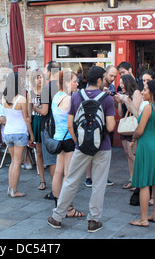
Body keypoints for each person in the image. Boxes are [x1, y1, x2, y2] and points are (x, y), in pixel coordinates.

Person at [47, 66, 115, 233]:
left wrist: (79, 141)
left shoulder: (76, 96)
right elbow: (111, 127)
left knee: (70, 180)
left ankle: (57, 216)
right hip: (103, 146)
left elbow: (70, 124)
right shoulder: (107, 99)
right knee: (99, 184)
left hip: (81, 146)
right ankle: (93, 220)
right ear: (99, 80)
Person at [129, 80, 155, 227]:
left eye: (145, 90)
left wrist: (133, 137)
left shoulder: (148, 108)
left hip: (146, 145)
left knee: (144, 182)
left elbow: (140, 130)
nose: (143, 92)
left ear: (151, 93)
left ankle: (144, 218)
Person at [51, 70, 85, 217]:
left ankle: (58, 203)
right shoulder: (69, 99)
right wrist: (77, 140)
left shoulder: (56, 96)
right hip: (69, 138)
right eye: (74, 81)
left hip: (58, 137)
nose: (77, 83)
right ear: (66, 82)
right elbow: (73, 123)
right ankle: (68, 208)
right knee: (68, 174)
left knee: (58, 172)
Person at [3, 72, 34, 198]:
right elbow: (26, 118)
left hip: (8, 132)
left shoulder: (3, 98)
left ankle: (10, 188)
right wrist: (31, 134)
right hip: (19, 132)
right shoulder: (22, 99)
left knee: (13, 162)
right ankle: (14, 190)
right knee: (17, 163)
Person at [33, 61, 61, 200]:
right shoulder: (65, 87)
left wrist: (34, 108)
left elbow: (44, 111)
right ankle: (62, 189)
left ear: (49, 72)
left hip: (49, 126)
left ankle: (56, 192)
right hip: (62, 127)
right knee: (62, 159)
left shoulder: (46, 88)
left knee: (52, 161)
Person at [86, 65, 117, 187]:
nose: (113, 78)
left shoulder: (112, 86)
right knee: (90, 152)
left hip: (105, 122)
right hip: (92, 123)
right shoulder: (94, 87)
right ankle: (88, 177)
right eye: (111, 75)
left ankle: (103, 176)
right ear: (103, 77)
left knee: (103, 153)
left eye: (115, 76)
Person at [115, 74, 142, 189]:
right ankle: (132, 179)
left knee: (133, 155)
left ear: (128, 82)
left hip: (133, 127)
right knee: (127, 153)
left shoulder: (136, 93)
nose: (120, 85)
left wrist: (126, 100)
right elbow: (121, 114)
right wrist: (120, 103)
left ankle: (137, 180)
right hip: (125, 127)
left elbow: (135, 112)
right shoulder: (124, 94)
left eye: (122, 83)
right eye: (120, 83)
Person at [27, 68, 46, 190]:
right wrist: (30, 133)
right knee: (39, 152)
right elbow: (28, 114)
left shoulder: (48, 91)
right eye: (37, 77)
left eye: (41, 77)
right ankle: (42, 180)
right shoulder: (30, 93)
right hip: (37, 121)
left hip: (47, 121)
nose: (39, 79)